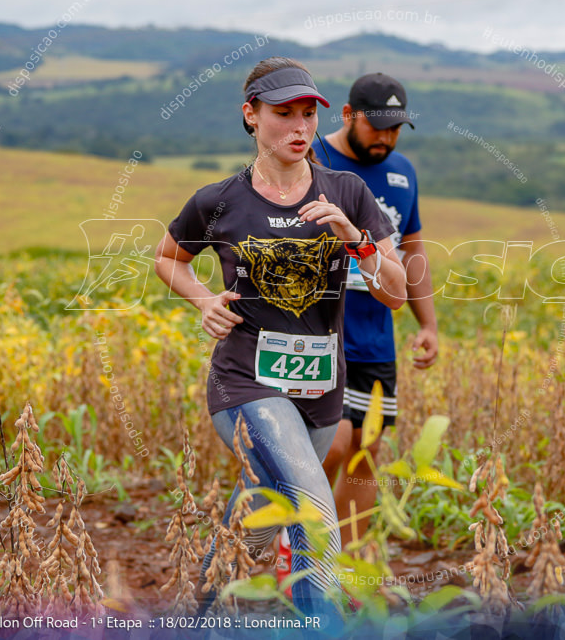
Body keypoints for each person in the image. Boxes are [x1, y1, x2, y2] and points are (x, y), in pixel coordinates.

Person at [153, 57, 406, 621]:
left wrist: (357, 239)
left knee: (258, 523)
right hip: (245, 384)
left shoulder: (348, 191)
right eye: (282, 113)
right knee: (313, 507)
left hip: (320, 392)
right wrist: (204, 300)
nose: (299, 127)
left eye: (308, 114)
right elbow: (169, 260)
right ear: (251, 116)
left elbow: (396, 293)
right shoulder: (217, 200)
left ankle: (199, 619)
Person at [317, 73, 439, 548]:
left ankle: (346, 565)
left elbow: (413, 250)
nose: (385, 138)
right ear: (348, 116)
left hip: (375, 335)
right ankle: (299, 548)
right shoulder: (312, 160)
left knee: (365, 453)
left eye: (395, 129)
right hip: (320, 332)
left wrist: (428, 324)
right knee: (335, 442)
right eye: (376, 126)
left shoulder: (402, 172)